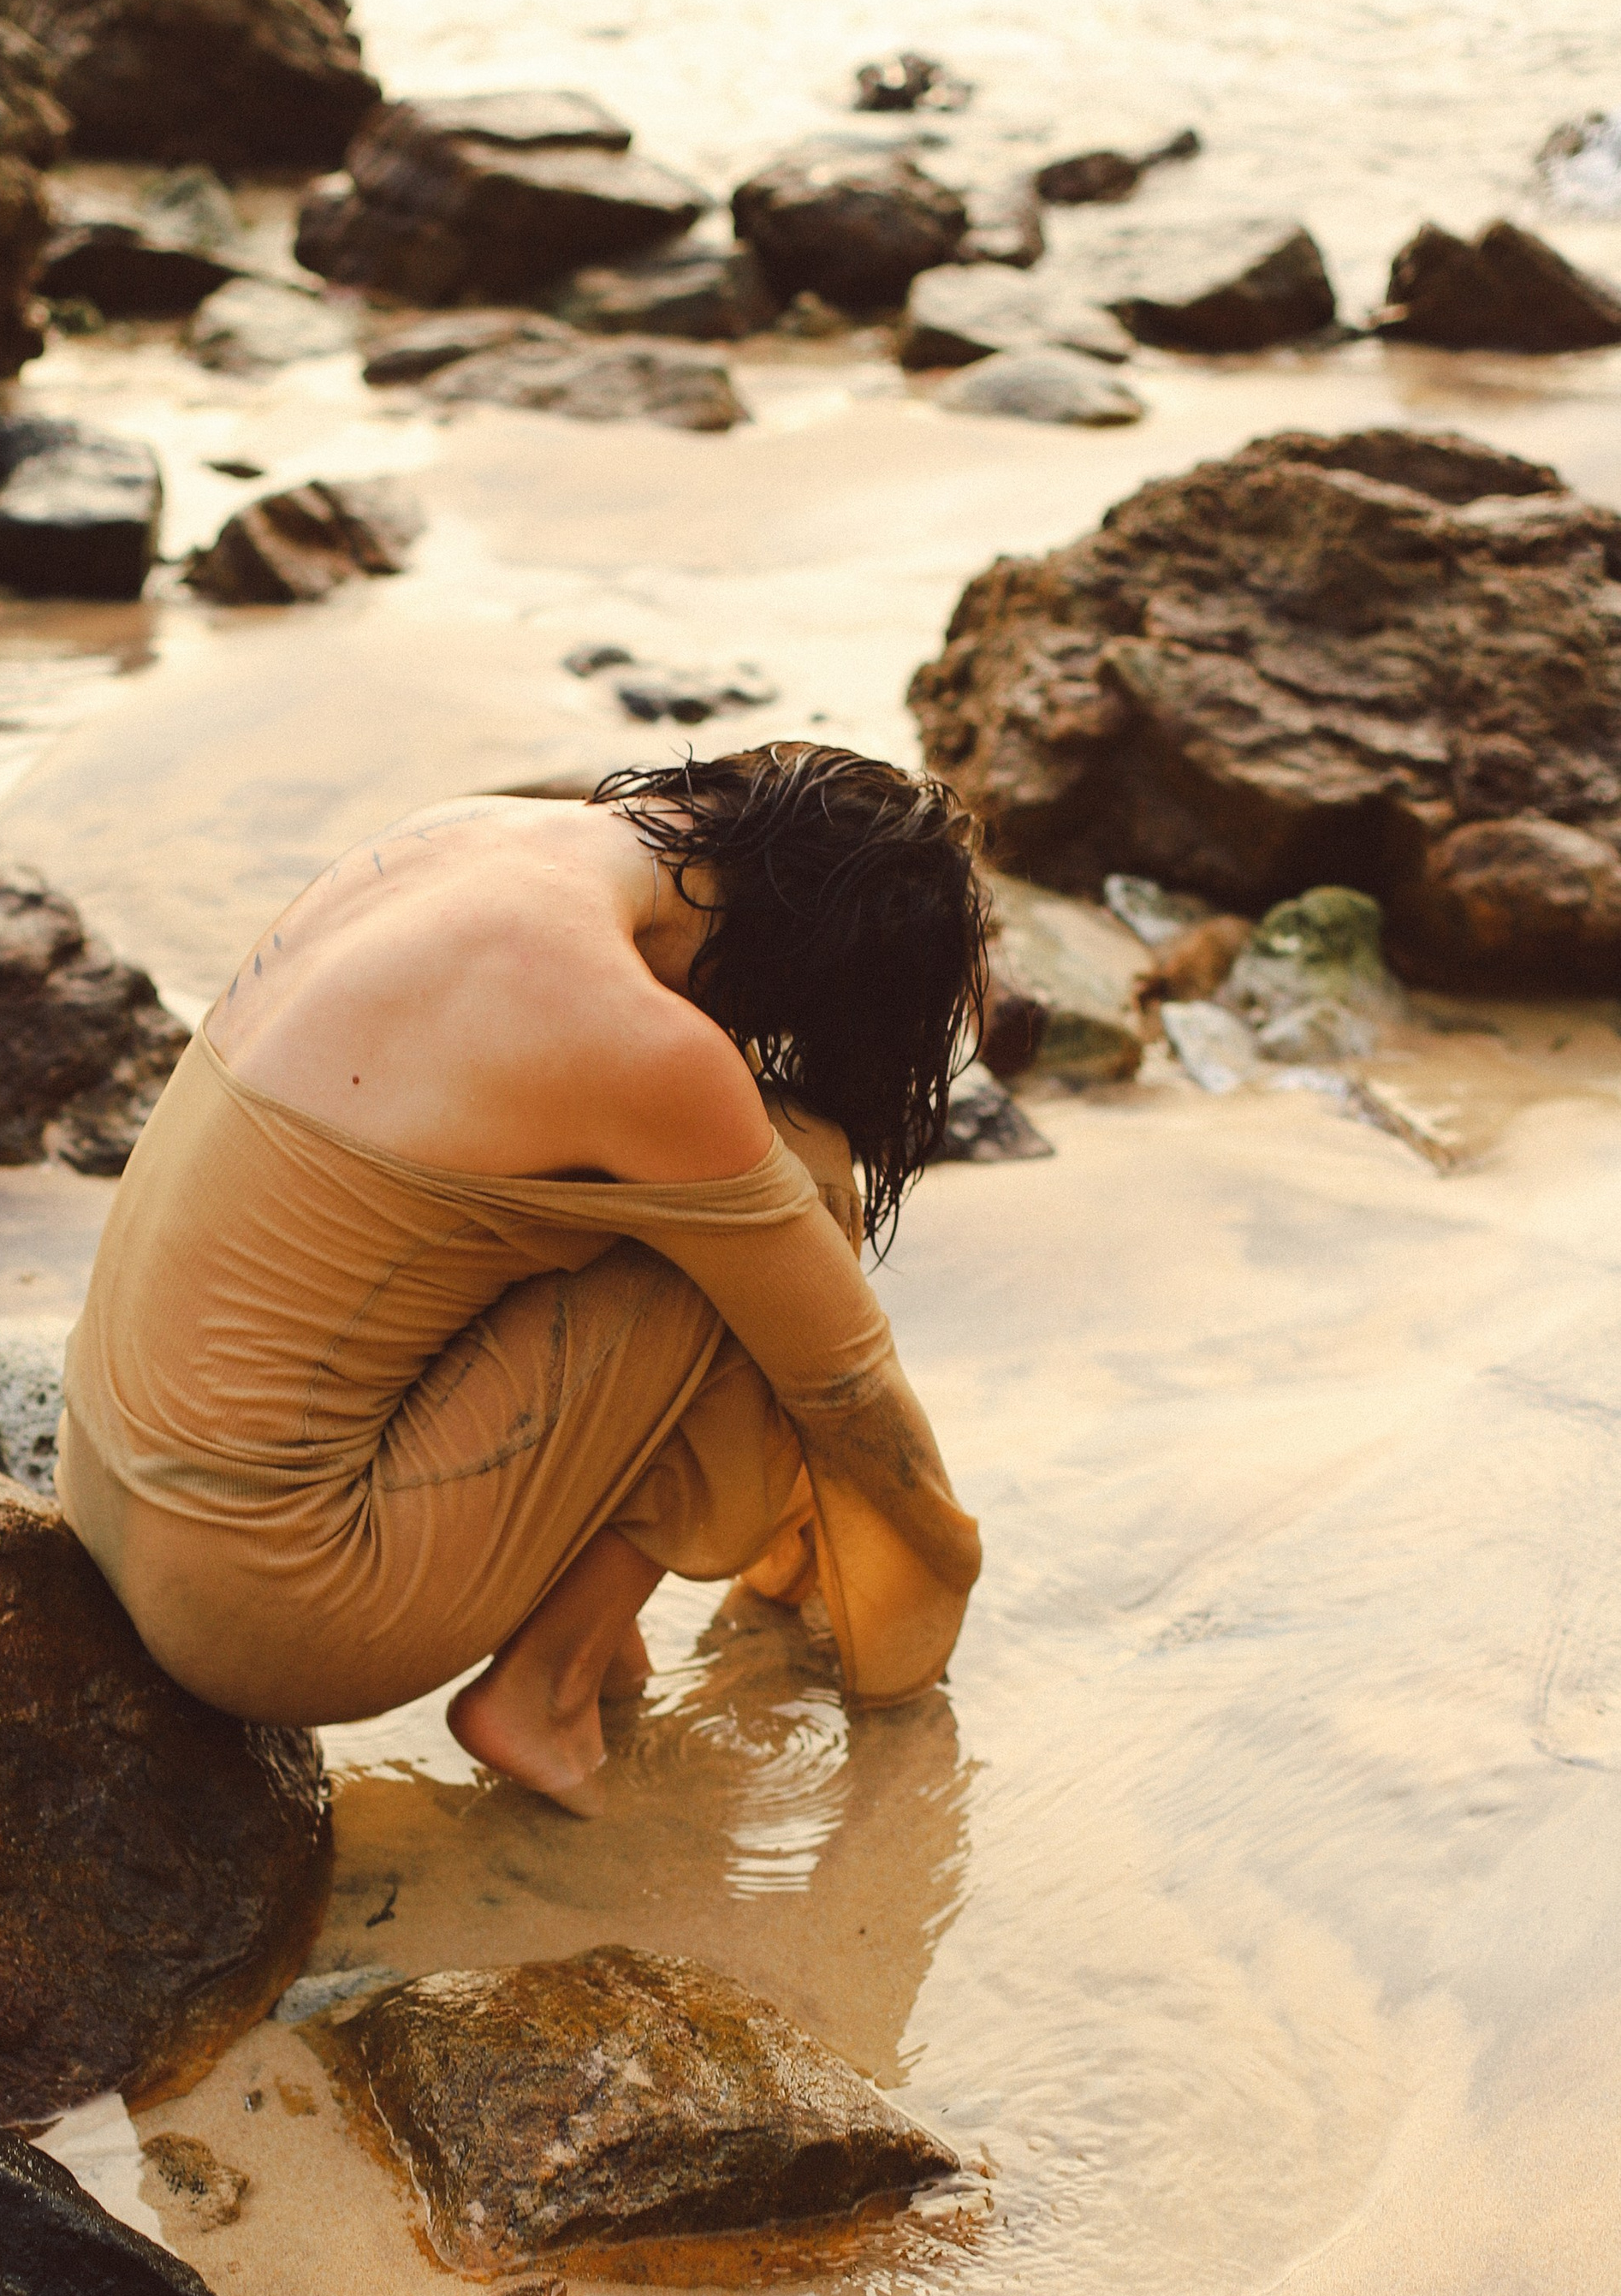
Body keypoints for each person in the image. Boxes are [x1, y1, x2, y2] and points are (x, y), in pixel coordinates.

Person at [57, 742, 988, 1813]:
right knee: (795, 1187)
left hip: (103, 1491)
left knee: (608, 1207)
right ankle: (550, 1684)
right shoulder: (646, 1048)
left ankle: (589, 1628)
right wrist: (939, 1554)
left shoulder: (460, 831)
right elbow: (843, 1380)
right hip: (268, 1613)